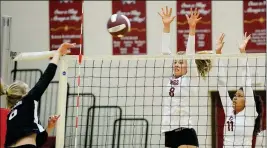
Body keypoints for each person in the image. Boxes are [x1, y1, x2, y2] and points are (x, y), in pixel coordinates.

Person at [0, 42, 75, 148]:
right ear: (24, 94)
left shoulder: (11, 116)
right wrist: (57, 54)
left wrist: (49, 127)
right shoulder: (28, 100)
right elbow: (46, 77)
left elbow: (37, 141)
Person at [159, 7, 212, 148]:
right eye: (175, 61)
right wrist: (166, 26)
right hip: (168, 132)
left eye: (180, 62)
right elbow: (165, 52)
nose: (176, 64)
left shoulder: (190, 78)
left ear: (188, 67)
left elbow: (190, 54)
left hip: (185, 131)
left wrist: (192, 29)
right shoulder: (168, 77)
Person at [217, 32, 257, 148]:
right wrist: (218, 54)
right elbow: (221, 85)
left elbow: (246, 83)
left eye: (239, 96)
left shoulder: (250, 112)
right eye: (235, 95)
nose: (235, 97)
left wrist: (242, 53)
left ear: (246, 101)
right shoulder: (229, 109)